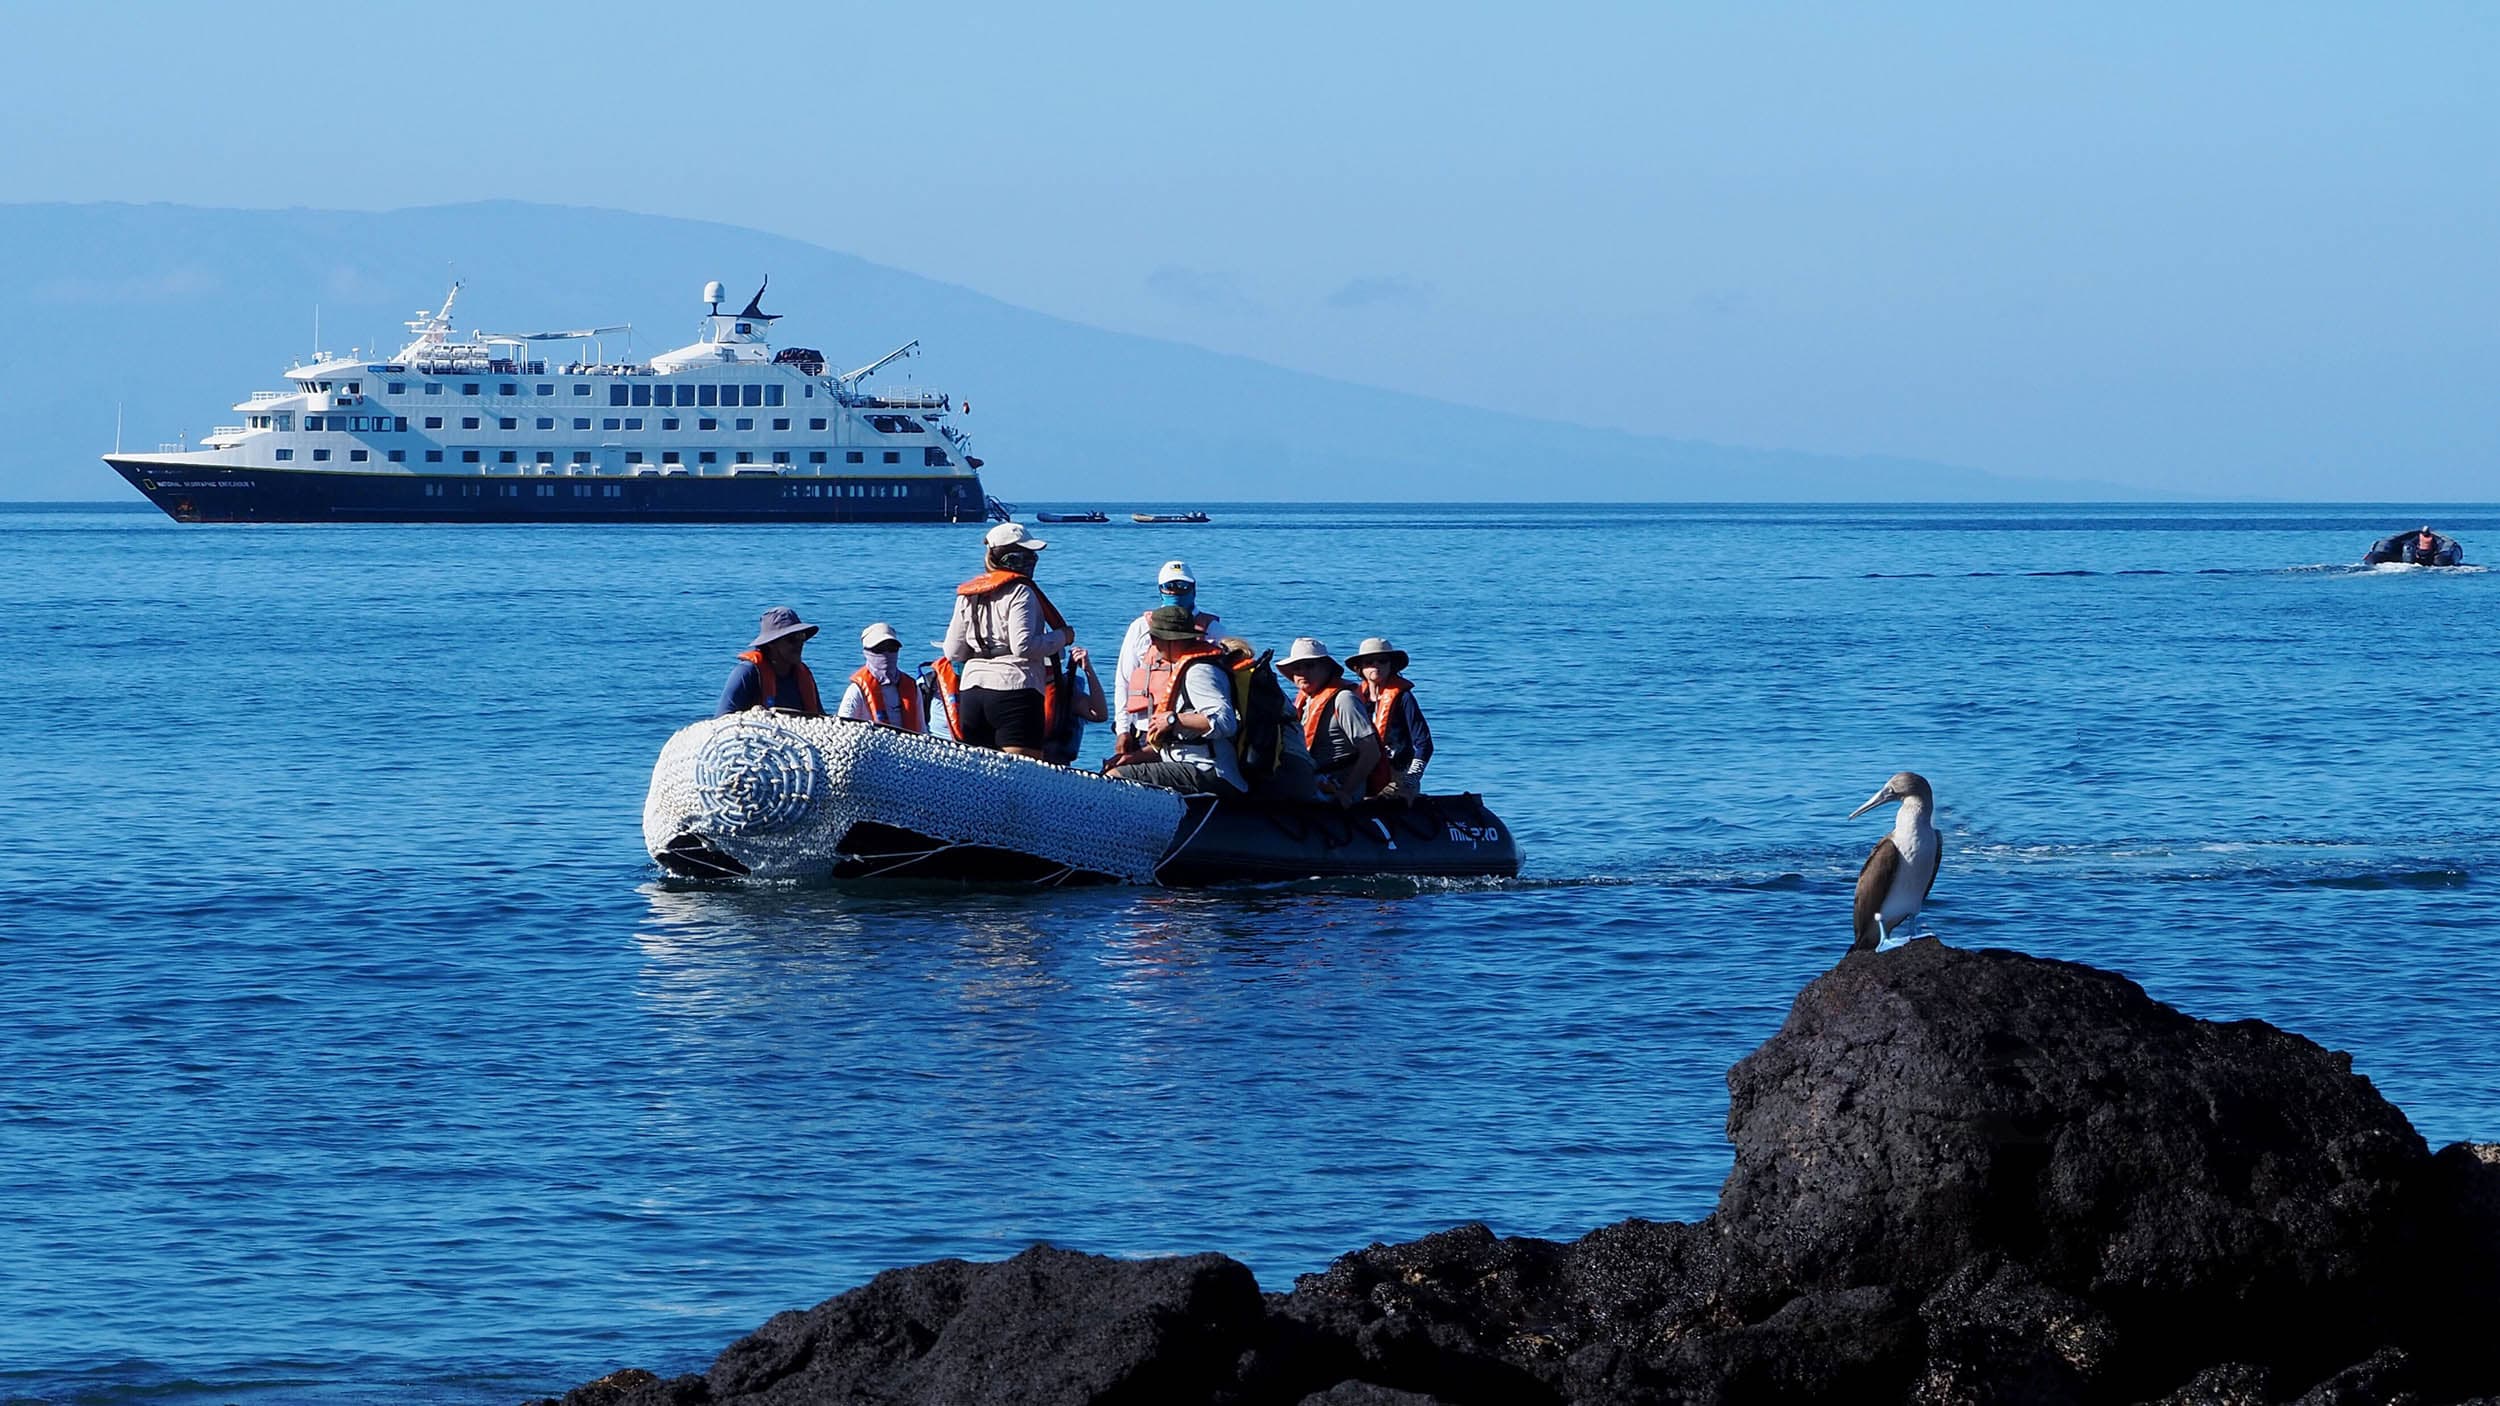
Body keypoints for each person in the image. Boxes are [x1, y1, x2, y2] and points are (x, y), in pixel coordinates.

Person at [942, 522, 1074, 759]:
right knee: (1023, 777)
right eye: (1027, 553)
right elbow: (1023, 646)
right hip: (1015, 691)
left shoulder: (969, 594)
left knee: (980, 776)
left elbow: (952, 651)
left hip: (973, 692)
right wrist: (1062, 637)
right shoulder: (1021, 591)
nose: (1032, 559)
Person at [1106, 605, 1245, 796]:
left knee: (1115, 778)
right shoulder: (1184, 667)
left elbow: (1225, 722)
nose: (1153, 643)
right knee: (1114, 771)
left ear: (1174, 639)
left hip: (1210, 772)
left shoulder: (1199, 672)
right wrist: (1133, 757)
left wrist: (1173, 720)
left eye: (1157, 638)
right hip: (1189, 765)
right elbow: (1176, 746)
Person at [1114, 560, 1220, 754]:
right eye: (1169, 586)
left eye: (1182, 586)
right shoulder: (1140, 627)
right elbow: (1124, 680)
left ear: (1194, 589)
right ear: (1160, 589)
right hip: (1145, 729)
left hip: (1188, 735)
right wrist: (1123, 730)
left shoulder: (1213, 630)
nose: (1176, 591)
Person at [1276, 637, 1379, 806]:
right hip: (1312, 779)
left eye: (1310, 666)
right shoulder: (1305, 701)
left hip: (1338, 786)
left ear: (1326, 669)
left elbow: (1371, 752)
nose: (1302, 672)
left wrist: (1346, 792)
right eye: (1297, 667)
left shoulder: (1344, 699)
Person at [1349, 636, 1432, 799]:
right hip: (1362, 773)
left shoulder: (1404, 698)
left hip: (1397, 775)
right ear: (1360, 668)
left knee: (1381, 801)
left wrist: (1410, 782)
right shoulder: (1353, 699)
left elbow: (1424, 744)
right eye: (1369, 662)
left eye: (1382, 661)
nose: (1376, 666)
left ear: (1391, 665)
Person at [716, 606, 824, 716]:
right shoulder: (747, 673)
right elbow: (722, 720)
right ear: (771, 643)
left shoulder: (804, 675)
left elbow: (820, 718)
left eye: (801, 637)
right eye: (791, 639)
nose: (799, 644)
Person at [835, 622, 928, 732]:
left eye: (892, 648)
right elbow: (842, 729)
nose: (886, 653)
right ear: (866, 652)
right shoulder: (856, 690)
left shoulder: (912, 687)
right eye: (879, 649)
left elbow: (922, 730)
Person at [1042, 646, 1112, 765]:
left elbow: (1099, 714)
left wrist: (1088, 669)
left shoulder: (1065, 691)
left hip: (1055, 763)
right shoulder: (1018, 689)